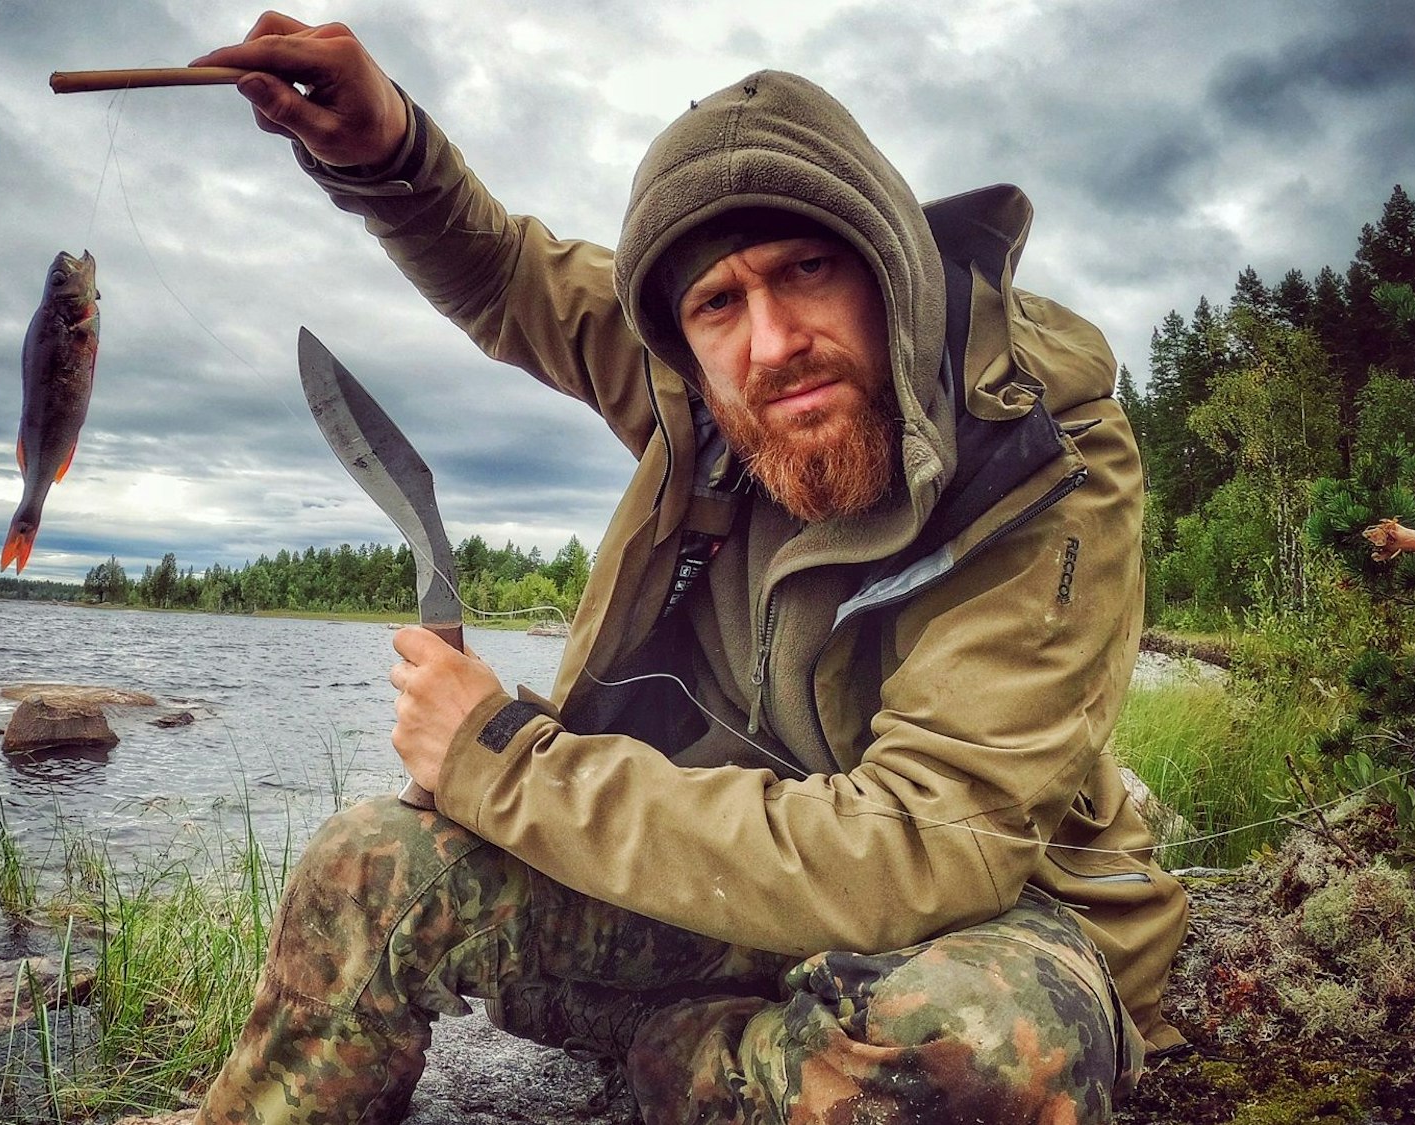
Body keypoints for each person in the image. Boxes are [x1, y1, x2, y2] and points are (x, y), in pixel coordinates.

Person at [158, 11, 1189, 1124]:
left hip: (980, 913)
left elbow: (925, 851)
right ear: (682, 343)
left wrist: (500, 758)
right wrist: (385, 149)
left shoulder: (1043, 456)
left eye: (806, 269)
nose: (769, 341)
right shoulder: (695, 383)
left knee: (975, 1052)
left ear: (892, 272)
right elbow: (511, 275)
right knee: (371, 862)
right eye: (717, 305)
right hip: (712, 891)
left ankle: (672, 1059)